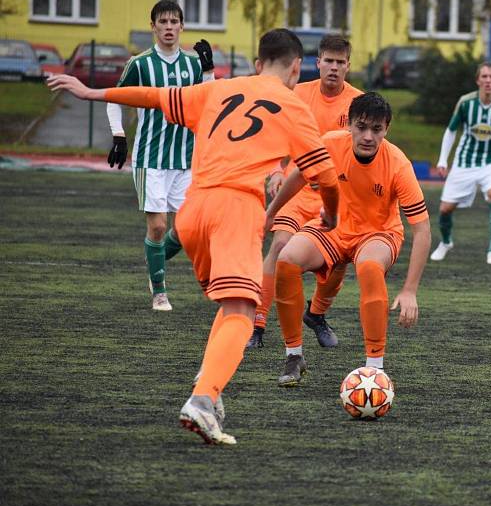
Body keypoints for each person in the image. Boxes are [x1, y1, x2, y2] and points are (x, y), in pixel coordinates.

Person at [48, 28, 340, 444]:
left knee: (229, 306)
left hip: (193, 211)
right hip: (234, 209)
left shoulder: (217, 90)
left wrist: (91, 92)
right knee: (243, 310)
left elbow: (152, 96)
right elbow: (325, 176)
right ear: (297, 68)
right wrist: (331, 213)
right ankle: (202, 400)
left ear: (257, 64)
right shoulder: (293, 104)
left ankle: (210, 389)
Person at [264, 92, 431, 386]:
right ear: (349, 124)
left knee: (368, 266)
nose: (368, 136)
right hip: (336, 227)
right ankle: (294, 356)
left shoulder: (398, 164)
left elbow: (422, 230)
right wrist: (270, 212)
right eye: (361, 127)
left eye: (376, 129)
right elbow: (299, 177)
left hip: (379, 234)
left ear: (386, 129)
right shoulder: (329, 143)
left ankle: (375, 369)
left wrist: (409, 290)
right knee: (287, 259)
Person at [246, 34, 362, 350]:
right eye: (329, 61)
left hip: (336, 195)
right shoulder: (296, 94)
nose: (334, 68)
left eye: (341, 62)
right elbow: (273, 138)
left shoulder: (358, 103)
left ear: (348, 66)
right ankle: (257, 324)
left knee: (341, 259)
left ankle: (316, 314)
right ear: (317, 63)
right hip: (298, 192)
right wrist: (275, 172)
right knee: (280, 246)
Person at [106, 0, 216, 311]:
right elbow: (113, 98)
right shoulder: (139, 64)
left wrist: (208, 71)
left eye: (174, 22)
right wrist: (118, 135)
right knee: (157, 227)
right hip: (150, 158)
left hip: (185, 159)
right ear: (153, 26)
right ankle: (159, 291)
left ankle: (153, 261)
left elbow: (210, 102)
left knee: (187, 229)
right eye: (162, 22)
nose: (168, 27)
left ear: (182, 26)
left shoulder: (193, 65)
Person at [429, 62, 491, 265]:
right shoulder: (465, 103)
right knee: (445, 209)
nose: (488, 81)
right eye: (484, 77)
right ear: (478, 80)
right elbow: (451, 130)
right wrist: (443, 159)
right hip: (464, 162)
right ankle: (445, 243)